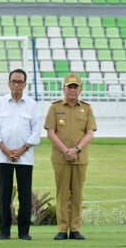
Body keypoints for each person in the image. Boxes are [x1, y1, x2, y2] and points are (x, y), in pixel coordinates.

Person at [0, 69, 41, 240]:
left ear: (25, 84)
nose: (16, 84)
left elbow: (36, 131)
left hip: (24, 157)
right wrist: (5, 149)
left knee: (25, 195)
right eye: (13, 81)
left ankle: (24, 231)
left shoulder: (32, 105)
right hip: (3, 156)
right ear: (8, 83)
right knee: (4, 194)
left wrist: (22, 149)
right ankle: (4, 231)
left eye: (20, 81)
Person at [45, 73, 96, 241]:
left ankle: (75, 228)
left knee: (77, 194)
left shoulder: (87, 108)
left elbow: (90, 133)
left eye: (75, 87)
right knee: (62, 194)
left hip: (80, 158)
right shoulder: (55, 107)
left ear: (80, 89)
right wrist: (66, 150)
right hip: (61, 158)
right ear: (63, 89)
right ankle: (61, 229)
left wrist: (76, 150)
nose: (72, 90)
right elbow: (51, 132)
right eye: (69, 87)